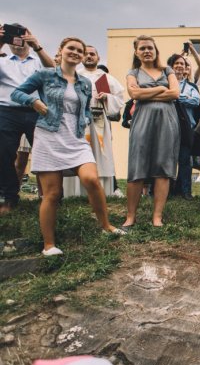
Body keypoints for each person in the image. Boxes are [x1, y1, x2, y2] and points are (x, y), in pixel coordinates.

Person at [11, 37, 125, 256]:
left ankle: (106, 226)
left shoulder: (85, 82)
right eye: (70, 48)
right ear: (61, 51)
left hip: (75, 138)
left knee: (91, 179)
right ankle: (49, 245)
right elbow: (18, 93)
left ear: (82, 56)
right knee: (52, 193)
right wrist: (34, 102)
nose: (75, 52)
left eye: (79, 50)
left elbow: (84, 109)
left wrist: (82, 122)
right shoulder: (45, 75)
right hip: (49, 136)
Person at [122, 35, 180, 228]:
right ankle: (130, 216)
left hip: (167, 121)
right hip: (142, 121)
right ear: (136, 52)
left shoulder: (167, 70)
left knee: (163, 167)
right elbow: (134, 94)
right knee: (137, 165)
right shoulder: (133, 72)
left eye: (150, 48)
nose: (147, 51)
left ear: (156, 51)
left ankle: (157, 217)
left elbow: (175, 93)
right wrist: (161, 88)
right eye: (143, 48)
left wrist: (147, 92)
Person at [0, 24, 54, 214]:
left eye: (21, 35)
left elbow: (54, 71)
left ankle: (51, 195)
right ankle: (9, 197)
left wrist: (37, 46)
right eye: (12, 36)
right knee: (4, 154)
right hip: (6, 111)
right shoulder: (3, 61)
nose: (17, 40)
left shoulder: (37, 61)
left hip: (35, 110)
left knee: (45, 153)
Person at [62, 46, 125, 198]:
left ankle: (103, 191)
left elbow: (119, 99)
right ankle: (74, 192)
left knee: (100, 154)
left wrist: (107, 97)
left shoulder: (106, 78)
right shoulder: (73, 75)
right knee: (76, 154)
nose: (89, 56)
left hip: (99, 121)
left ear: (98, 58)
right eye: (86, 54)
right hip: (76, 121)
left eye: (92, 54)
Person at [168, 53, 200, 200]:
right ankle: (166, 191)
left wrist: (175, 96)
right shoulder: (164, 83)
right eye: (176, 63)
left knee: (185, 160)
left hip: (187, 128)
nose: (180, 66)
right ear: (171, 66)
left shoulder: (191, 86)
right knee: (167, 161)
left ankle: (186, 192)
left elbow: (196, 101)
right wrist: (184, 97)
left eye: (182, 64)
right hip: (167, 127)